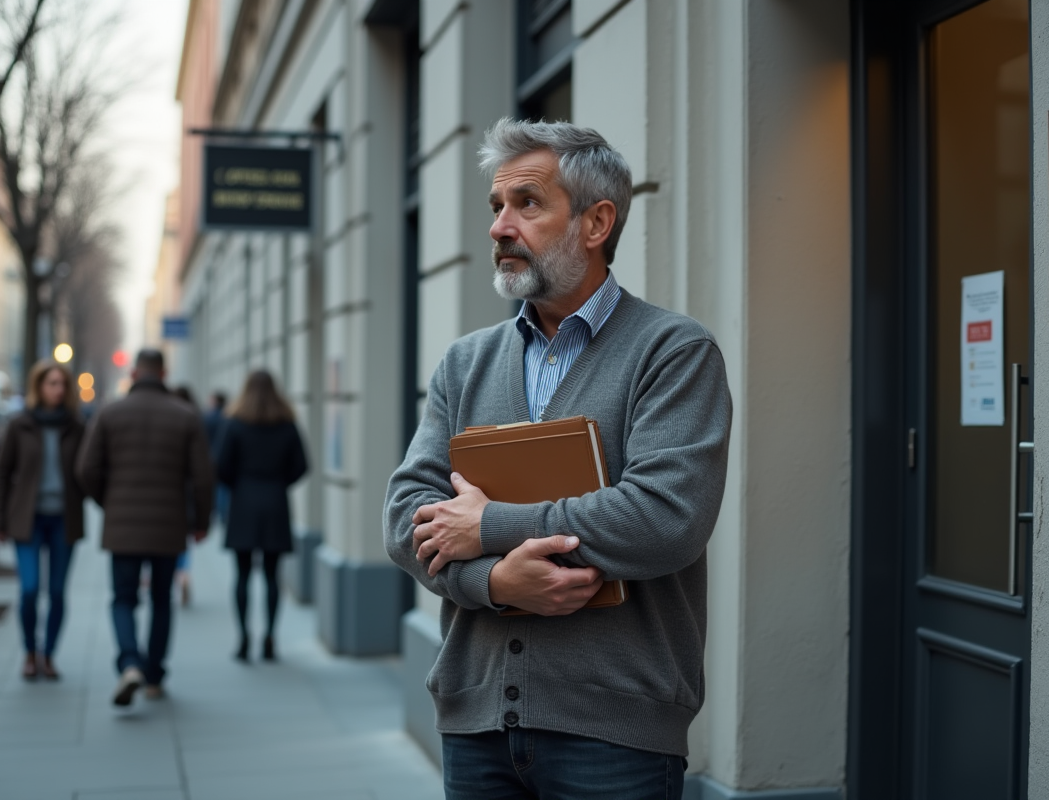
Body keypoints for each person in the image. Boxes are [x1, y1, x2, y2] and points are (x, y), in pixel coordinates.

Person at [383, 119, 732, 800]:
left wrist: (488, 527)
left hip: (616, 736)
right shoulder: (465, 363)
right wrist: (494, 584)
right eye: (496, 207)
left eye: (527, 204)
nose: (500, 227)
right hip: (476, 726)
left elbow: (666, 517)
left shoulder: (673, 352)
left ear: (597, 222)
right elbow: (405, 521)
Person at [76, 349, 214, 706]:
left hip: (123, 526)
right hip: (169, 525)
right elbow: (202, 477)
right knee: (161, 599)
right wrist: (200, 521)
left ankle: (129, 662)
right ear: (164, 373)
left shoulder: (109, 413)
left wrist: (109, 502)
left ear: (135, 372)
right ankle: (154, 674)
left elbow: (86, 469)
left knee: (123, 597)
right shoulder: (185, 416)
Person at [0, 359, 87, 681]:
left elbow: (89, 470)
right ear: (39, 387)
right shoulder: (20, 425)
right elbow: (2, 473)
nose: (58, 390)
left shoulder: (76, 426)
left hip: (64, 518)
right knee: (30, 588)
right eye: (52, 383)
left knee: (57, 592)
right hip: (27, 520)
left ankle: (49, 656)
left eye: (62, 384)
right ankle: (30, 651)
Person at [216, 370, 307, 662]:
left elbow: (220, 465)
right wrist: (278, 483)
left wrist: (240, 485)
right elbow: (302, 465)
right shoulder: (286, 423)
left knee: (241, 575)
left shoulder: (235, 423)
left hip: (243, 502)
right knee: (272, 575)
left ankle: (243, 638)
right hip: (275, 502)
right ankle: (270, 637)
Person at [171, 385, 200, 606]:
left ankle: (167, 575)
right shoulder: (195, 421)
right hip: (186, 495)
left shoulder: (167, 420)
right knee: (181, 541)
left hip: (164, 494)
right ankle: (183, 575)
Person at [204, 391, 230, 524]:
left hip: (211, 455)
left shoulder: (208, 417)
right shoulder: (228, 417)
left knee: (217, 487)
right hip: (224, 456)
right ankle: (224, 514)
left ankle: (219, 511)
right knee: (223, 488)